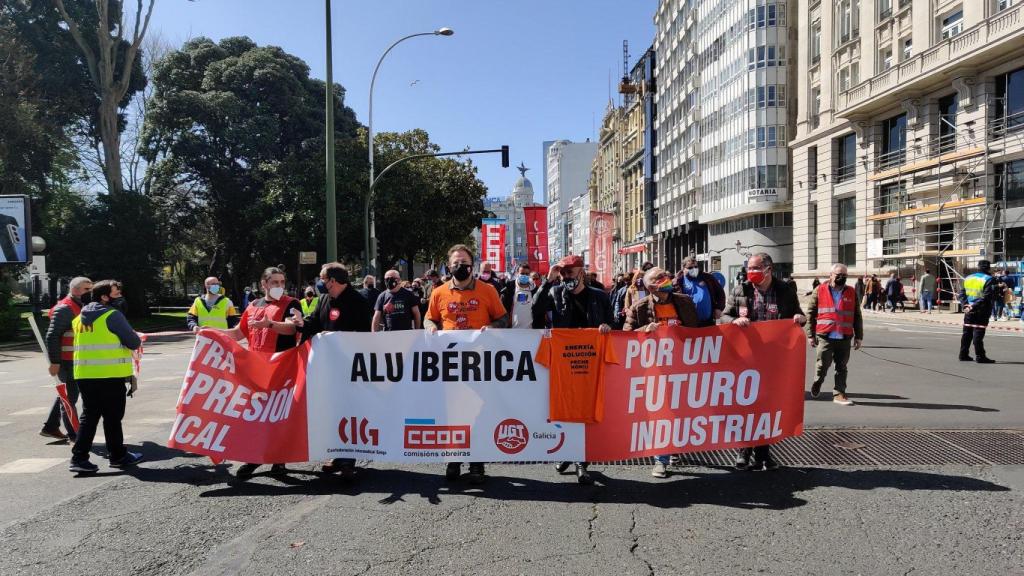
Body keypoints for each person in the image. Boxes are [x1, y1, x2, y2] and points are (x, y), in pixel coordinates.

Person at [424, 244, 507, 484]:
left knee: (479, 412)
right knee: (454, 413)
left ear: (472, 264)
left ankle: (477, 462)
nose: (460, 266)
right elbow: (431, 318)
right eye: (456, 263)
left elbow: (502, 318)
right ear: (449, 267)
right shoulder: (438, 292)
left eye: (464, 262)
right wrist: (430, 328)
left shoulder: (488, 290)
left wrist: (491, 328)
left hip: (479, 363)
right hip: (450, 364)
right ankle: (454, 458)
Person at [721, 253, 807, 471]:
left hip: (773, 360)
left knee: (767, 407)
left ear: (768, 269)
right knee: (746, 405)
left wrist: (800, 319)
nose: (752, 272)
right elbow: (723, 317)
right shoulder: (741, 289)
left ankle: (763, 454)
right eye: (749, 268)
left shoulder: (785, 291)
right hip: (746, 358)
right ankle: (743, 452)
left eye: (756, 268)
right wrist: (734, 320)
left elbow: (798, 315)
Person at [534, 255, 614, 484]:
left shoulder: (599, 296)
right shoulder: (555, 292)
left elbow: (612, 321)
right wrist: (548, 281)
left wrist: (606, 327)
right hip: (564, 360)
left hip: (590, 361)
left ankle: (580, 461)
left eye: (570, 272)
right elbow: (536, 311)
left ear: (581, 272)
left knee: (584, 410)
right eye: (563, 273)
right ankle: (570, 455)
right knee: (566, 408)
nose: (566, 276)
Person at [290, 262, 373, 479]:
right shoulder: (324, 299)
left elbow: (365, 336)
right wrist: (301, 323)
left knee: (349, 411)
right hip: (328, 369)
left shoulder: (359, 302)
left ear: (332, 281)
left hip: (351, 368)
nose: (320, 282)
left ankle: (348, 459)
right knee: (332, 411)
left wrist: (337, 339)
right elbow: (314, 323)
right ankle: (336, 454)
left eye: (322, 278)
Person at [219, 266, 302, 479]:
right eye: (275, 282)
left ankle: (279, 459)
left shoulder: (291, 303)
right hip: (255, 369)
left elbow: (293, 328)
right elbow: (238, 333)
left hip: (281, 369)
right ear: (263, 284)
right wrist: (212, 333)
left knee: (278, 415)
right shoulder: (254, 305)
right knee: (255, 415)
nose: (279, 287)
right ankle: (254, 457)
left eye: (282, 282)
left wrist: (270, 324)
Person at [623, 266, 700, 478]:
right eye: (659, 277)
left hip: (683, 367)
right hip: (655, 370)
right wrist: (643, 331)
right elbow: (625, 337)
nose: (666, 278)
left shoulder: (684, 301)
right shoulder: (639, 308)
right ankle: (661, 459)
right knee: (661, 415)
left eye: (665, 274)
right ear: (650, 287)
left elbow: (698, 331)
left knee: (682, 411)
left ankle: (675, 447)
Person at [68, 280, 143, 474]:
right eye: (116, 294)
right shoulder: (112, 315)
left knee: (89, 416)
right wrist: (135, 336)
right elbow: (133, 342)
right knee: (112, 417)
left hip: (84, 375)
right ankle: (118, 456)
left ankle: (79, 458)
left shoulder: (79, 318)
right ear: (104, 297)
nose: (120, 297)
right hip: (110, 375)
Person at [42, 276, 92, 442]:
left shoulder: (80, 305)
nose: (90, 292)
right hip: (66, 360)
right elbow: (52, 336)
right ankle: (75, 436)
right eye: (87, 289)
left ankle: (51, 427)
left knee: (68, 396)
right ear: (75, 290)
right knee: (70, 399)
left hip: (75, 359)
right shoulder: (65, 308)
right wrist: (55, 362)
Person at [806, 263, 863, 406]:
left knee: (842, 367)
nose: (842, 277)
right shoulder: (819, 290)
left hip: (844, 337)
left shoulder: (851, 292)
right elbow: (810, 314)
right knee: (823, 365)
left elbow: (857, 315)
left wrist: (859, 336)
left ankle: (839, 394)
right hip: (825, 336)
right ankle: (817, 382)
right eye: (838, 275)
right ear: (830, 275)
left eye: (845, 275)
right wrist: (810, 335)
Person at [958, 260, 1000, 363]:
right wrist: (973, 306)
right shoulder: (989, 279)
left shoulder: (968, 278)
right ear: (988, 268)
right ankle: (980, 356)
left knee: (967, 333)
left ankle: (963, 354)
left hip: (969, 310)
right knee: (978, 333)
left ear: (978, 267)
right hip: (981, 310)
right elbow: (987, 297)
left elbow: (962, 294)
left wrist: (965, 305)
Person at [676, 256, 725, 327]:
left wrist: (719, 308)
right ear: (683, 269)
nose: (694, 269)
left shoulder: (708, 278)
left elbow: (720, 293)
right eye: (690, 268)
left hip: (708, 322)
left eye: (695, 267)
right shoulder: (677, 282)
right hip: (688, 324)